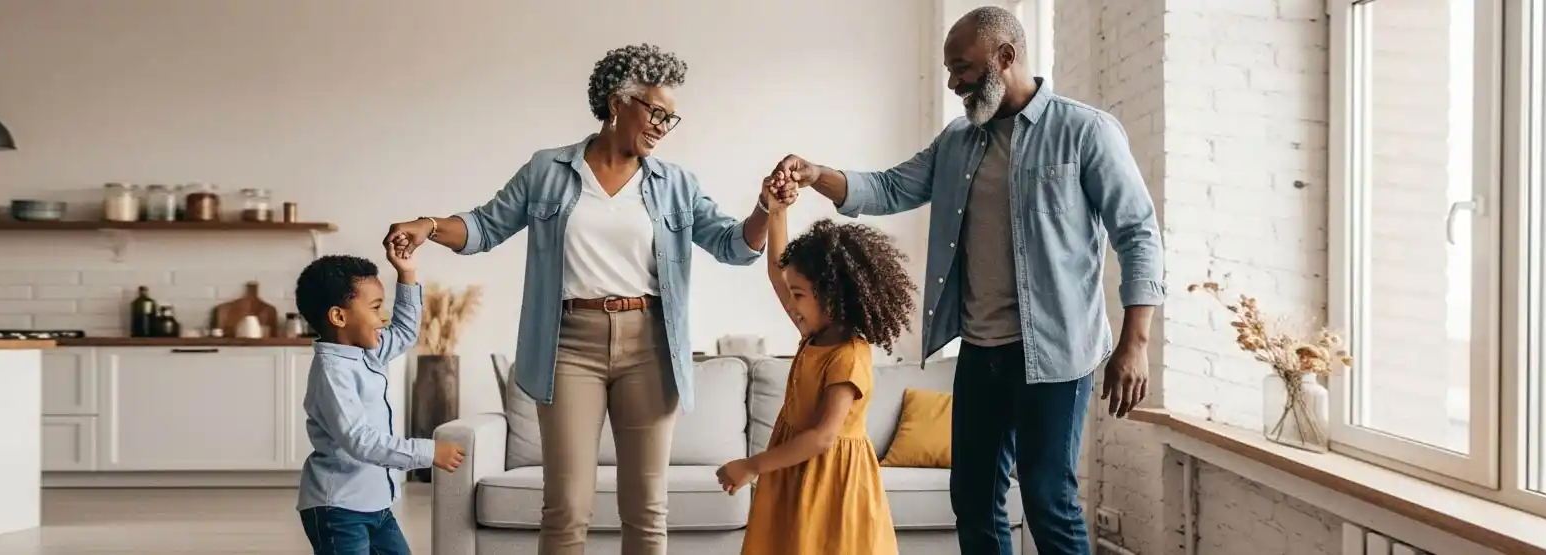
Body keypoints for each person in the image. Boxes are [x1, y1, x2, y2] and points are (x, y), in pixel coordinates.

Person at [765, 7, 1166, 555]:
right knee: (973, 500)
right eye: (950, 70)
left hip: (1055, 353)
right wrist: (816, 175)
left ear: (1006, 58)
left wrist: (1135, 343)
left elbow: (1137, 233)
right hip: (981, 350)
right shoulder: (959, 139)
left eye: (963, 68)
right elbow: (887, 188)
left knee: (1049, 498)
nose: (953, 83)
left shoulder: (1084, 131)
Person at [382, 44, 779, 555]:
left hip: (651, 347)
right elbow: (484, 226)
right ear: (618, 103)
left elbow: (734, 245)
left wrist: (765, 208)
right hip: (567, 345)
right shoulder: (548, 170)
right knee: (566, 507)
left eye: (670, 118)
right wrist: (429, 225)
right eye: (656, 112)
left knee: (646, 509)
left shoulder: (677, 184)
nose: (662, 125)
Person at [716, 178, 913, 555]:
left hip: (829, 481)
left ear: (832, 296)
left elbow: (824, 437)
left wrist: (753, 465)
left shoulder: (848, 356)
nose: (792, 304)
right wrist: (777, 212)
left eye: (799, 296)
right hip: (795, 471)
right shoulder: (814, 334)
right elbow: (778, 272)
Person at [294, 252, 466, 555]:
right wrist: (427, 451)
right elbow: (360, 442)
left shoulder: (365, 352)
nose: (383, 316)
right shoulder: (333, 373)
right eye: (375, 307)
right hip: (339, 510)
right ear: (339, 317)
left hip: (376, 505)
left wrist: (407, 274)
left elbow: (404, 332)